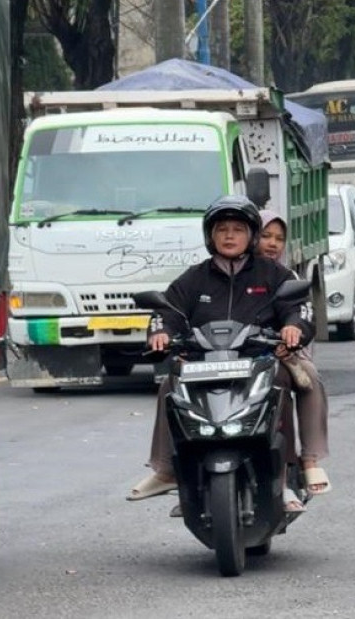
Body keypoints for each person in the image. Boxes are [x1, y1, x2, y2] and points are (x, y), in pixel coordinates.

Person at [127, 197, 320, 513]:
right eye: (222, 230)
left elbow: (298, 308)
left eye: (237, 230)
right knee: (169, 386)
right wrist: (160, 333)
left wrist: (294, 327)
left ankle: (283, 479)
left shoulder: (273, 274)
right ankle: (167, 471)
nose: (229, 236)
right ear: (210, 236)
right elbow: (167, 312)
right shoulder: (194, 278)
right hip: (205, 362)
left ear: (251, 236)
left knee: (281, 385)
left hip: (260, 360)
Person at [256, 211, 332, 499]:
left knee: (307, 377)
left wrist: (290, 333)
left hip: (278, 356)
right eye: (266, 236)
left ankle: (308, 460)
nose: (272, 244)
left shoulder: (285, 277)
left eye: (279, 239)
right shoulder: (221, 273)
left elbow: (301, 313)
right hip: (229, 358)